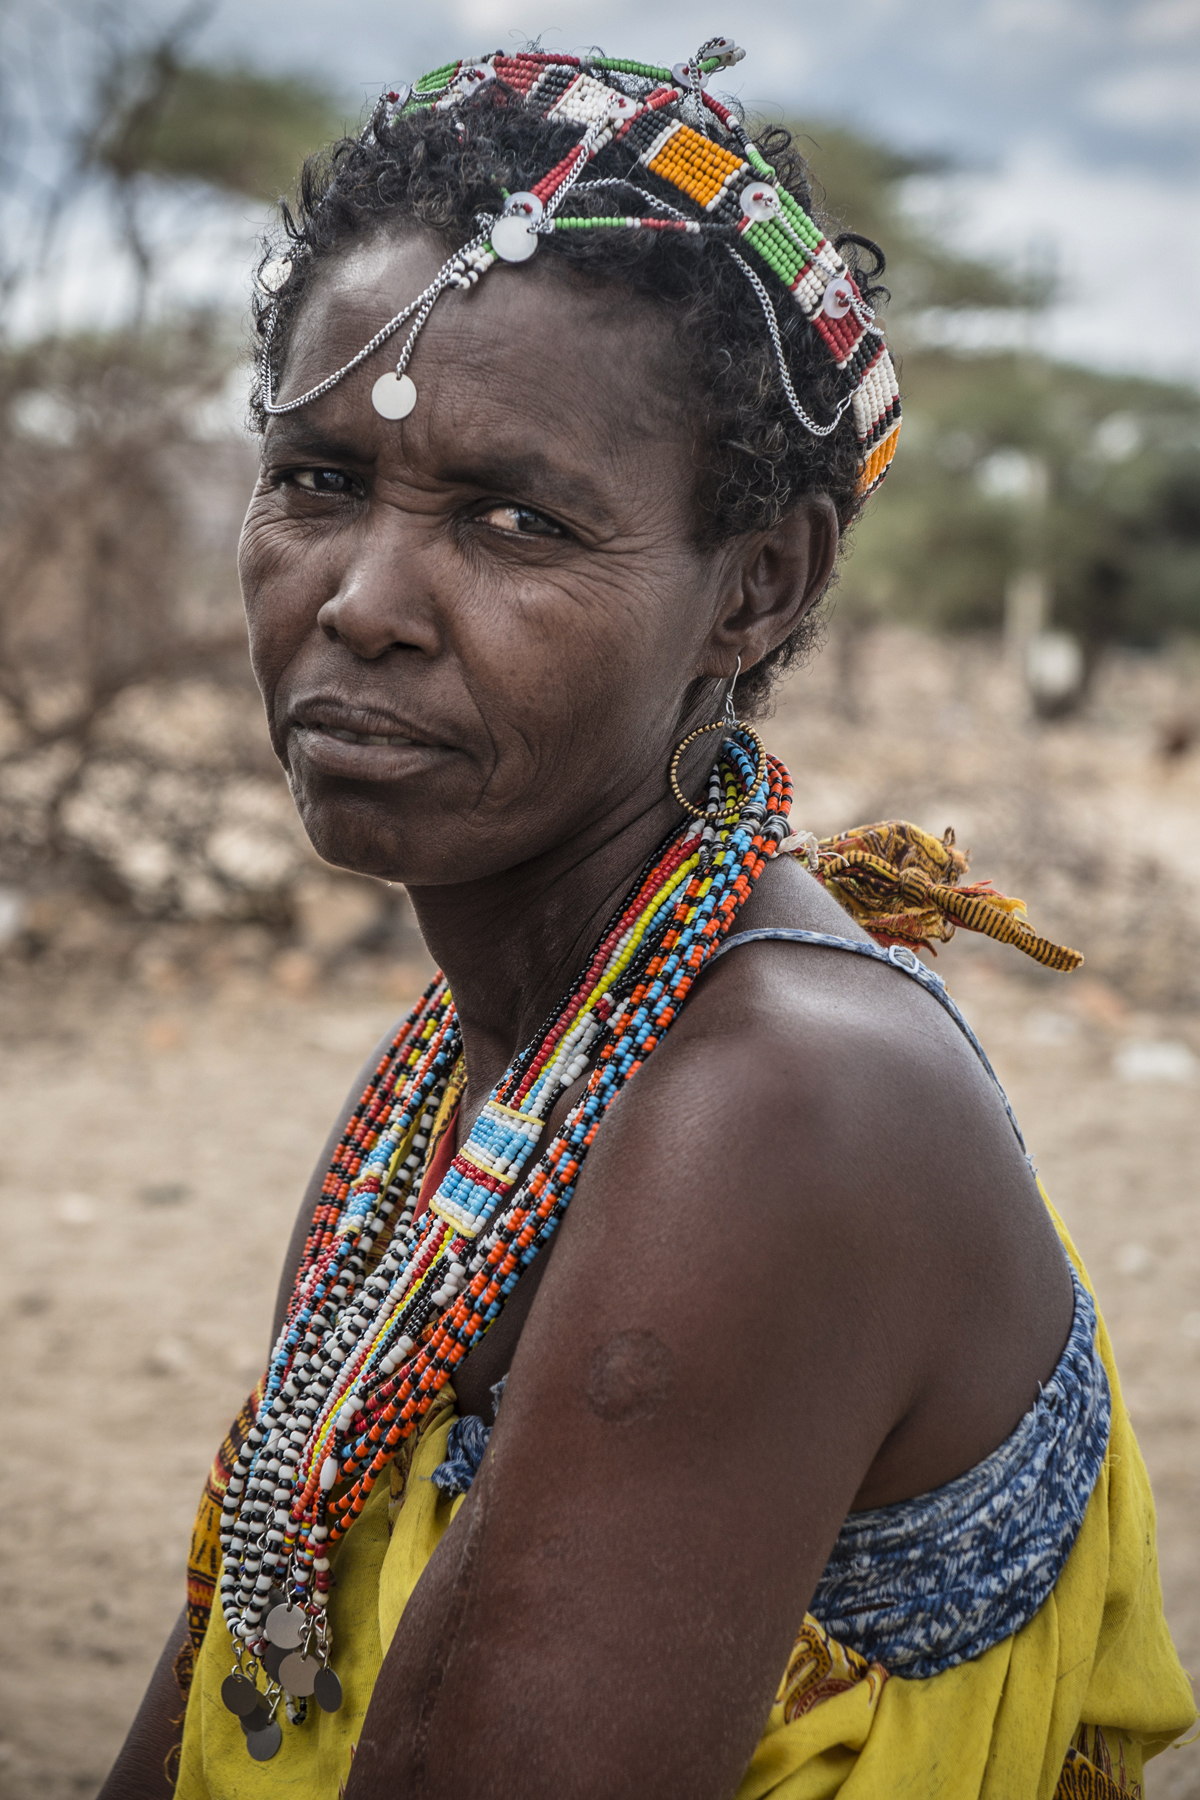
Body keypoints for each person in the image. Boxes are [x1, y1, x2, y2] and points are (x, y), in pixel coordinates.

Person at [99, 39, 1195, 1800]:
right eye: (318, 481)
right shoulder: (463, 1091)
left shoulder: (781, 1110)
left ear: (757, 586)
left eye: (517, 520)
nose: (363, 601)